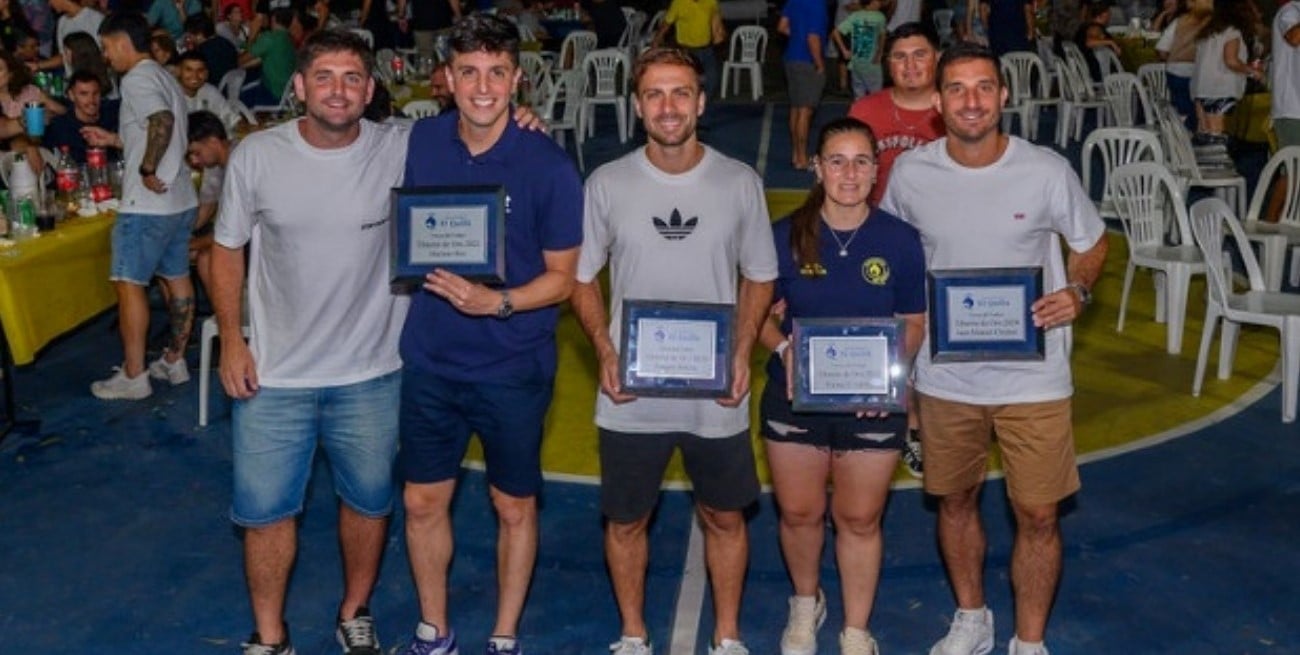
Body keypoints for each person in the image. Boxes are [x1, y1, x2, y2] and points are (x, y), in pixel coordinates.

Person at [880, 42, 1107, 655]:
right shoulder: (910, 174)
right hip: (945, 379)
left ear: (1004, 96)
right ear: (937, 101)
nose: (972, 101)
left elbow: (1092, 240)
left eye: (984, 87)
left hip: (1034, 380)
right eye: (957, 89)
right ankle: (972, 617)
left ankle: (1028, 643)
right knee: (954, 501)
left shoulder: (1045, 170)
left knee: (1037, 514)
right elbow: (890, 257)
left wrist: (1078, 289)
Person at [571, 46, 778, 655]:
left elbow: (760, 275)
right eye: (655, 94)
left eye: (681, 93)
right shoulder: (607, 182)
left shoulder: (739, 181)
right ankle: (633, 634)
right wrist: (606, 351)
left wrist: (742, 351)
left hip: (716, 389)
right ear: (637, 106)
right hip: (631, 391)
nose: (668, 107)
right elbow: (582, 277)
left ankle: (728, 636)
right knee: (627, 519)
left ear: (701, 102)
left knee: (725, 516)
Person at [211, 29, 410, 655]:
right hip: (274, 375)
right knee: (265, 515)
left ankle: (355, 610)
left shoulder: (399, 146)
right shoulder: (257, 155)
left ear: (371, 90)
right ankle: (270, 636)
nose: (338, 90)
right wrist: (232, 343)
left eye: (352, 77)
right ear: (297, 86)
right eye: (323, 76)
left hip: (373, 372)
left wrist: (524, 120)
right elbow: (225, 249)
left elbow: (482, 141)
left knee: (370, 504)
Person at [395, 13, 583, 655]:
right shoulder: (420, 143)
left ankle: (504, 635)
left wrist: (494, 301)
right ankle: (433, 629)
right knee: (422, 502)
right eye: (468, 71)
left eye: (496, 72)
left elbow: (563, 280)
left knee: (513, 505)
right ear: (444, 78)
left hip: (513, 365)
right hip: (430, 360)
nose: (482, 87)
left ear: (517, 80)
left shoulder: (549, 165)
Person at [760, 117, 925, 655]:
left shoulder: (899, 239)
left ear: (877, 170)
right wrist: (784, 350)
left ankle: (856, 629)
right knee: (800, 513)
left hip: (874, 405)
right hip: (794, 399)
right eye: (836, 160)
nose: (849, 172)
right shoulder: (783, 236)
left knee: (858, 518)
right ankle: (806, 606)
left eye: (860, 161)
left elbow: (914, 321)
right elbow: (754, 314)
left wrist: (887, 379)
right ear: (817, 168)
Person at [84, 12, 198, 400]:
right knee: (177, 278)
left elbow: (161, 121)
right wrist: (117, 141)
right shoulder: (166, 75)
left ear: (120, 42)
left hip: (146, 203)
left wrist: (147, 166)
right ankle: (173, 360)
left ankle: (134, 375)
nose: (105, 56)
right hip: (179, 199)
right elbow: (155, 126)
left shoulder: (135, 78)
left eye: (105, 47)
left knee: (128, 283)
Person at [1191, 0, 1261, 143]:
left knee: (1204, 135)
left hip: (1201, 88)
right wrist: (1253, 71)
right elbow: (1231, 61)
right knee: (1218, 138)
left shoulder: (1207, 33)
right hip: (1220, 90)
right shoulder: (1232, 32)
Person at [184, 109, 230, 303]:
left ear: (213, 141)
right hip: (239, 231)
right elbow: (207, 207)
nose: (194, 161)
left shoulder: (240, 163)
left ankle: (228, 320)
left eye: (196, 153)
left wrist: (193, 244)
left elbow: (236, 229)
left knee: (205, 258)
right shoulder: (214, 166)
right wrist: (182, 235)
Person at [779, 0, 826, 170]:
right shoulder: (817, 5)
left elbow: (782, 27)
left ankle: (795, 154)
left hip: (790, 58)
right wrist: (819, 63)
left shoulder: (793, 2)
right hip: (807, 61)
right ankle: (802, 158)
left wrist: (797, 35)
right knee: (805, 111)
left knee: (796, 108)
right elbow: (813, 38)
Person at [44, 68, 120, 163]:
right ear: (71, 95)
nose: (91, 100)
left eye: (95, 93)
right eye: (84, 94)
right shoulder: (60, 126)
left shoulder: (114, 112)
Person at [1155, 0, 1210, 129]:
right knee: (1203, 112)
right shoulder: (1214, 24)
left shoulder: (1179, 21)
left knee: (1181, 110)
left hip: (1176, 70)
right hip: (1203, 72)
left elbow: (1162, 49)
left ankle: (1180, 142)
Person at [654, 0, 723, 98]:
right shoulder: (679, 3)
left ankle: (703, 104)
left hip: (707, 48)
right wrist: (656, 42)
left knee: (712, 79)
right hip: (687, 50)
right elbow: (666, 24)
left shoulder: (710, 2)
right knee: (688, 81)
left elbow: (716, 20)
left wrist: (719, 35)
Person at [28, 0, 103, 75]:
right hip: (74, 81)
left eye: (50, 1)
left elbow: (104, 55)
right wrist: (37, 66)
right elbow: (63, 56)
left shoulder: (95, 19)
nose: (49, 4)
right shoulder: (62, 22)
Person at [240, 7, 296, 107]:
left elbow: (241, 60)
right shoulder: (290, 39)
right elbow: (262, 59)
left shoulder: (270, 38)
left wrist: (252, 35)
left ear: (273, 19)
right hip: (285, 93)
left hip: (272, 93)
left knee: (235, 96)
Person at [831, 0, 886, 99]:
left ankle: (859, 113)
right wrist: (880, 53)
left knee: (858, 95)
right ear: (873, 2)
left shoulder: (855, 16)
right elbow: (882, 37)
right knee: (876, 96)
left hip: (856, 63)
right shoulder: (879, 17)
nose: (881, 3)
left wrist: (844, 50)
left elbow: (836, 32)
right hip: (872, 63)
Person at [176, 50, 242, 128]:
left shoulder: (209, 91)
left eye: (200, 70)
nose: (195, 76)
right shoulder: (171, 94)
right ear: (178, 71)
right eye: (189, 70)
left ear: (206, 74)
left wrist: (246, 128)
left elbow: (232, 119)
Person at [184, 11, 239, 86]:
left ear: (199, 35)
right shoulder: (225, 42)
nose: (189, 38)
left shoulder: (202, 53)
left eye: (190, 35)